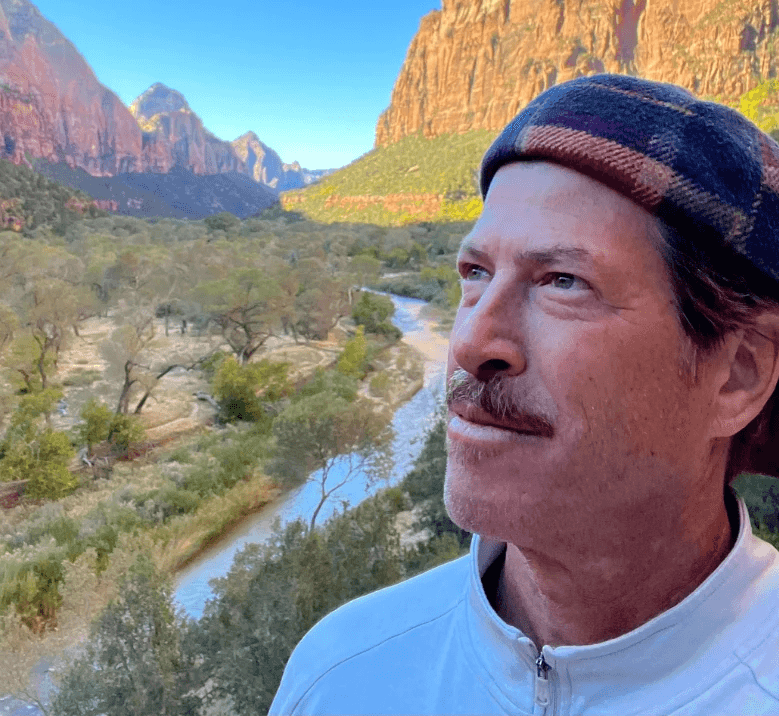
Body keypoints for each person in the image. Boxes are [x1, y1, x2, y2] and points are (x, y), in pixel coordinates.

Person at [269, 74, 779, 715]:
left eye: (563, 281)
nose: (470, 342)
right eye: (475, 273)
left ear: (738, 374)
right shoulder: (340, 675)